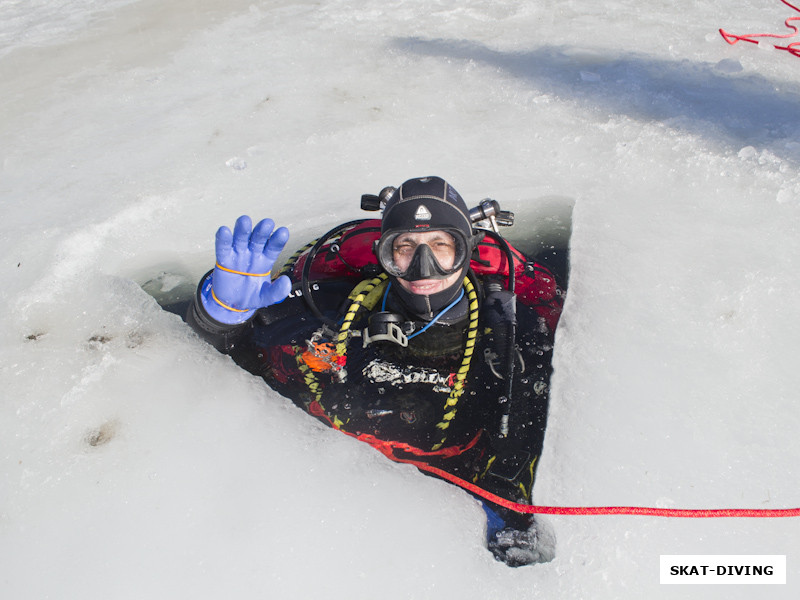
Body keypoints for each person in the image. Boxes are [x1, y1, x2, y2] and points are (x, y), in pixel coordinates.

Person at [186, 176, 564, 566]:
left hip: (452, 498)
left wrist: (515, 513)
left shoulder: (513, 332)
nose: (423, 267)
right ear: (384, 255)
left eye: (440, 246)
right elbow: (237, 360)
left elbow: (533, 430)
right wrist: (219, 316)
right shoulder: (336, 312)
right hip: (328, 503)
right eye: (404, 248)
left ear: (466, 251)